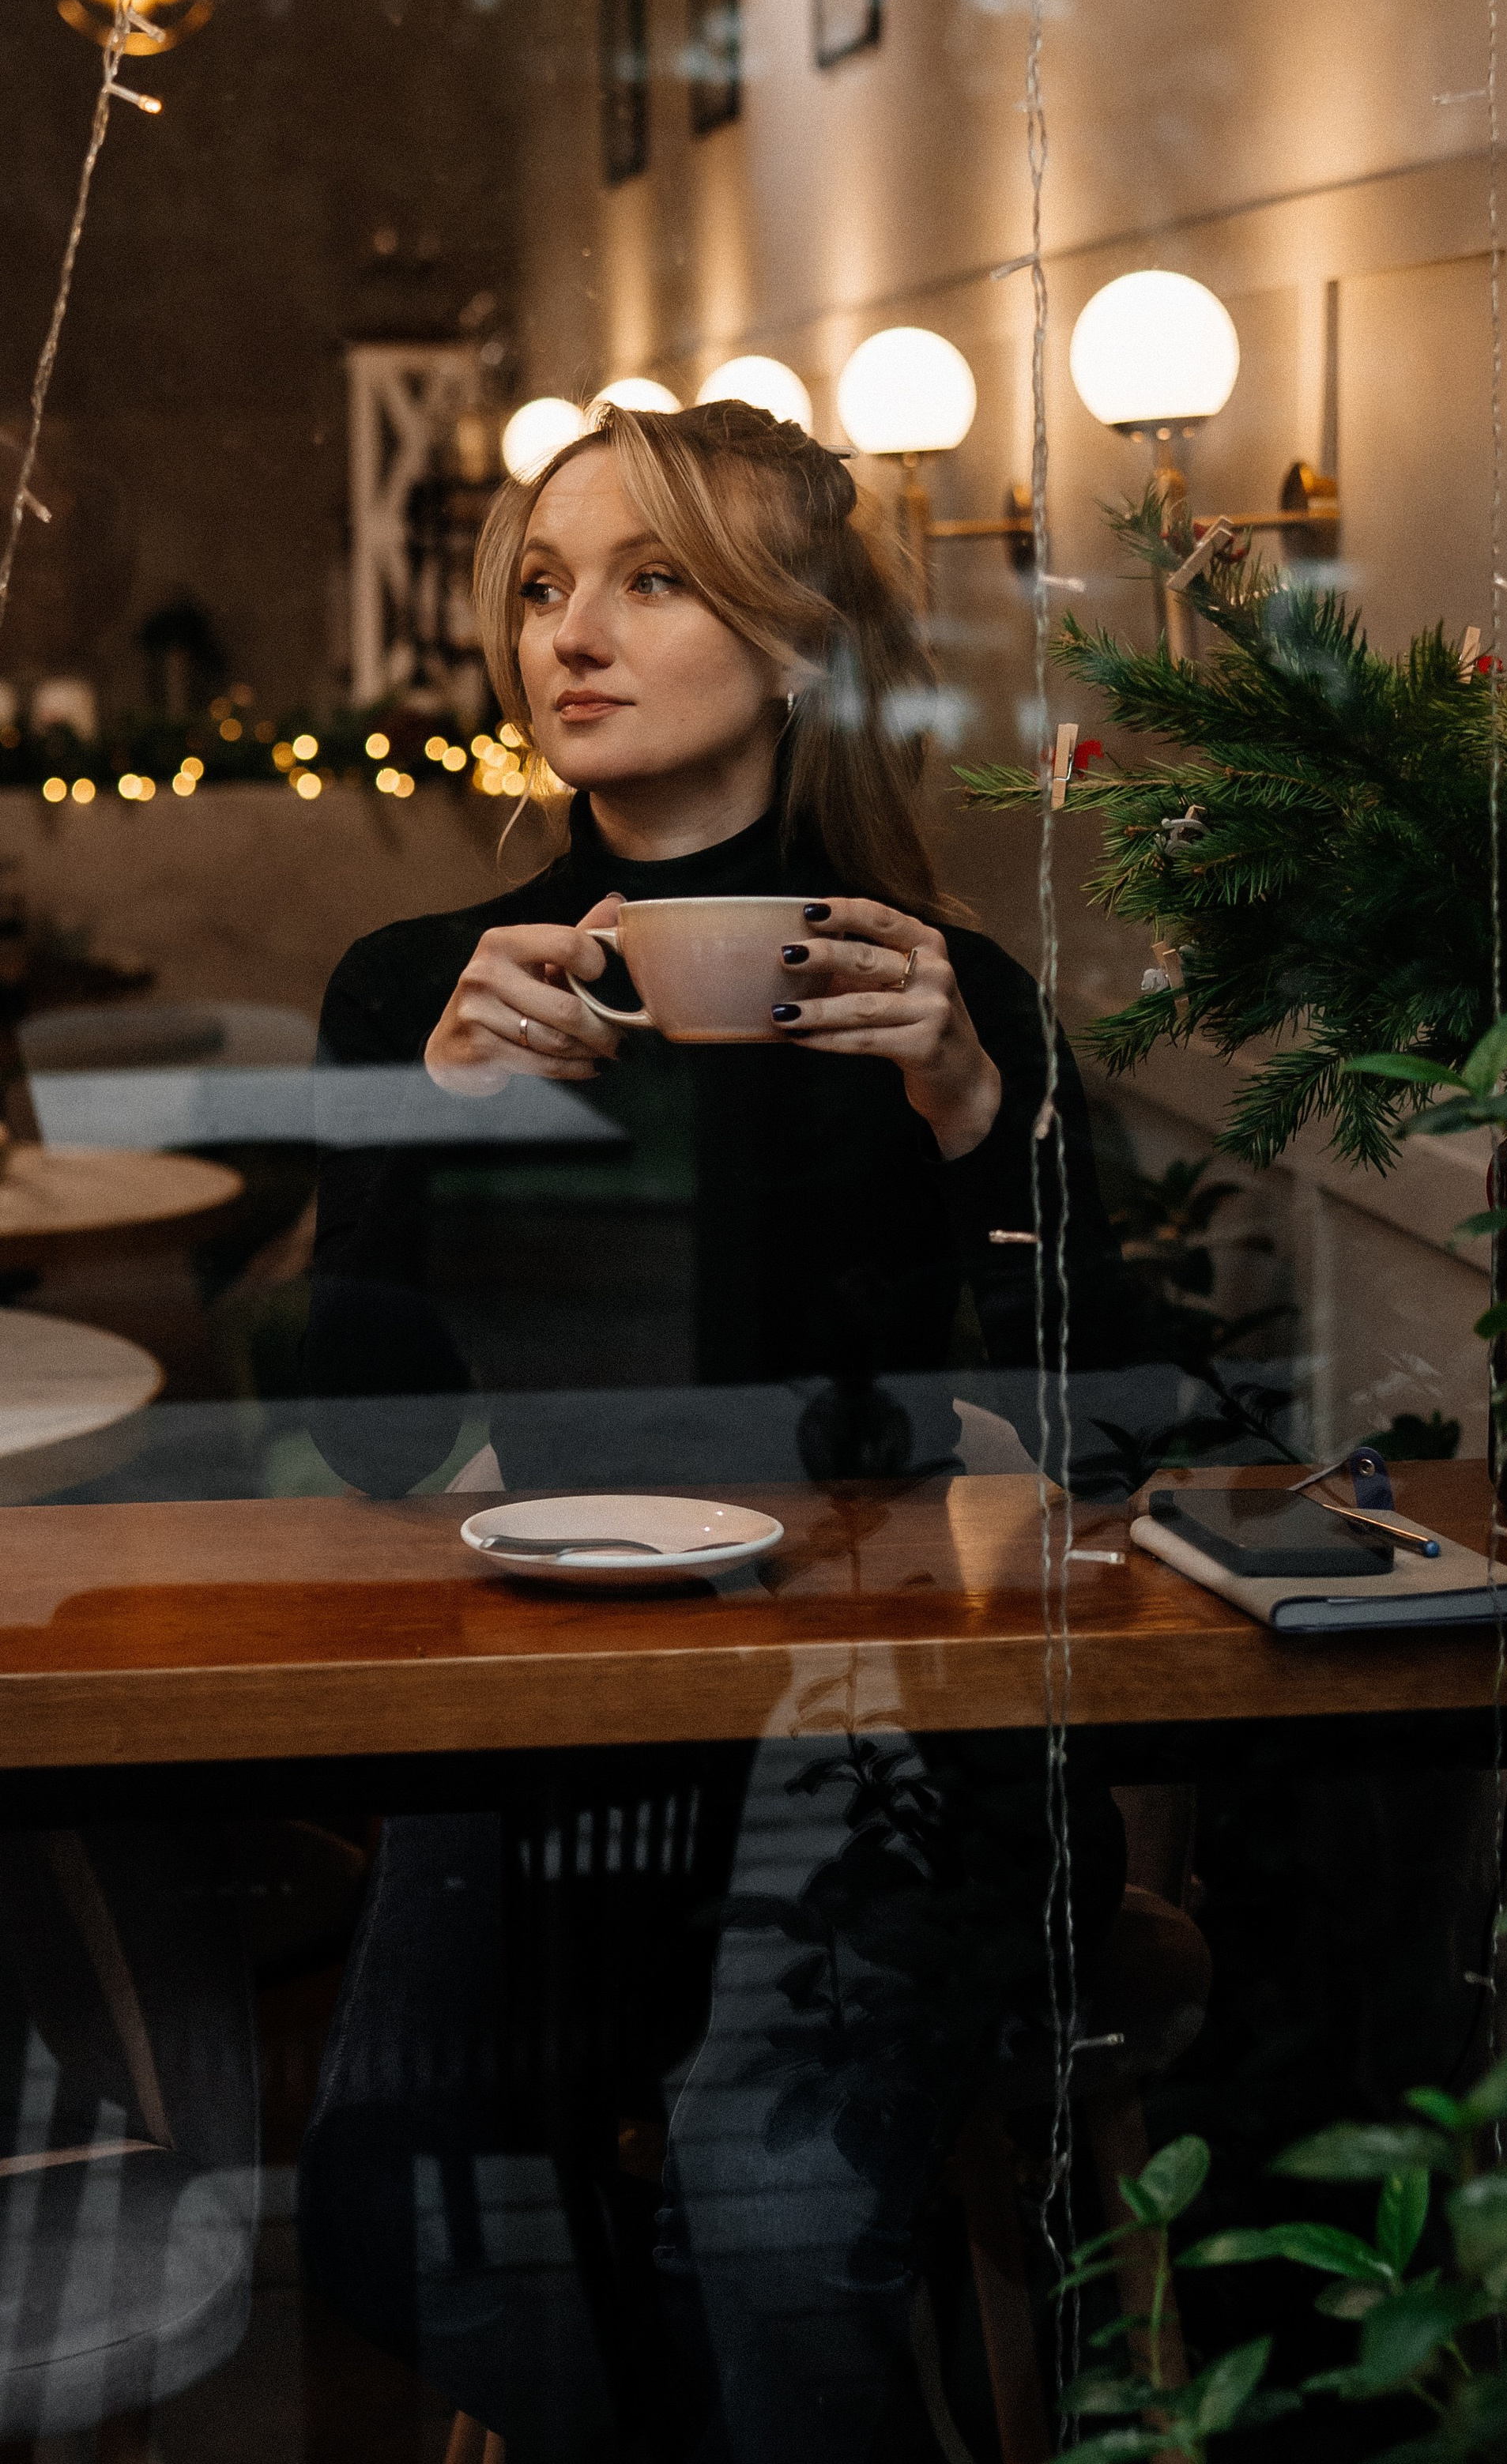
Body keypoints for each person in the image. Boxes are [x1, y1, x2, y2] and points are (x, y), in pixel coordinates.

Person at [296, 401, 1129, 2463]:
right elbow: (378, 1458)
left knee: (765, 2219)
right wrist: (439, 1123)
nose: (569, 631)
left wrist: (970, 1124)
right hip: (536, 1706)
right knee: (390, 2208)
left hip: (868, 1718)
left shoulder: (936, 996)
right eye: (546, 582)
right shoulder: (429, 988)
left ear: (800, 643)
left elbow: (1102, 1435)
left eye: (651, 578)